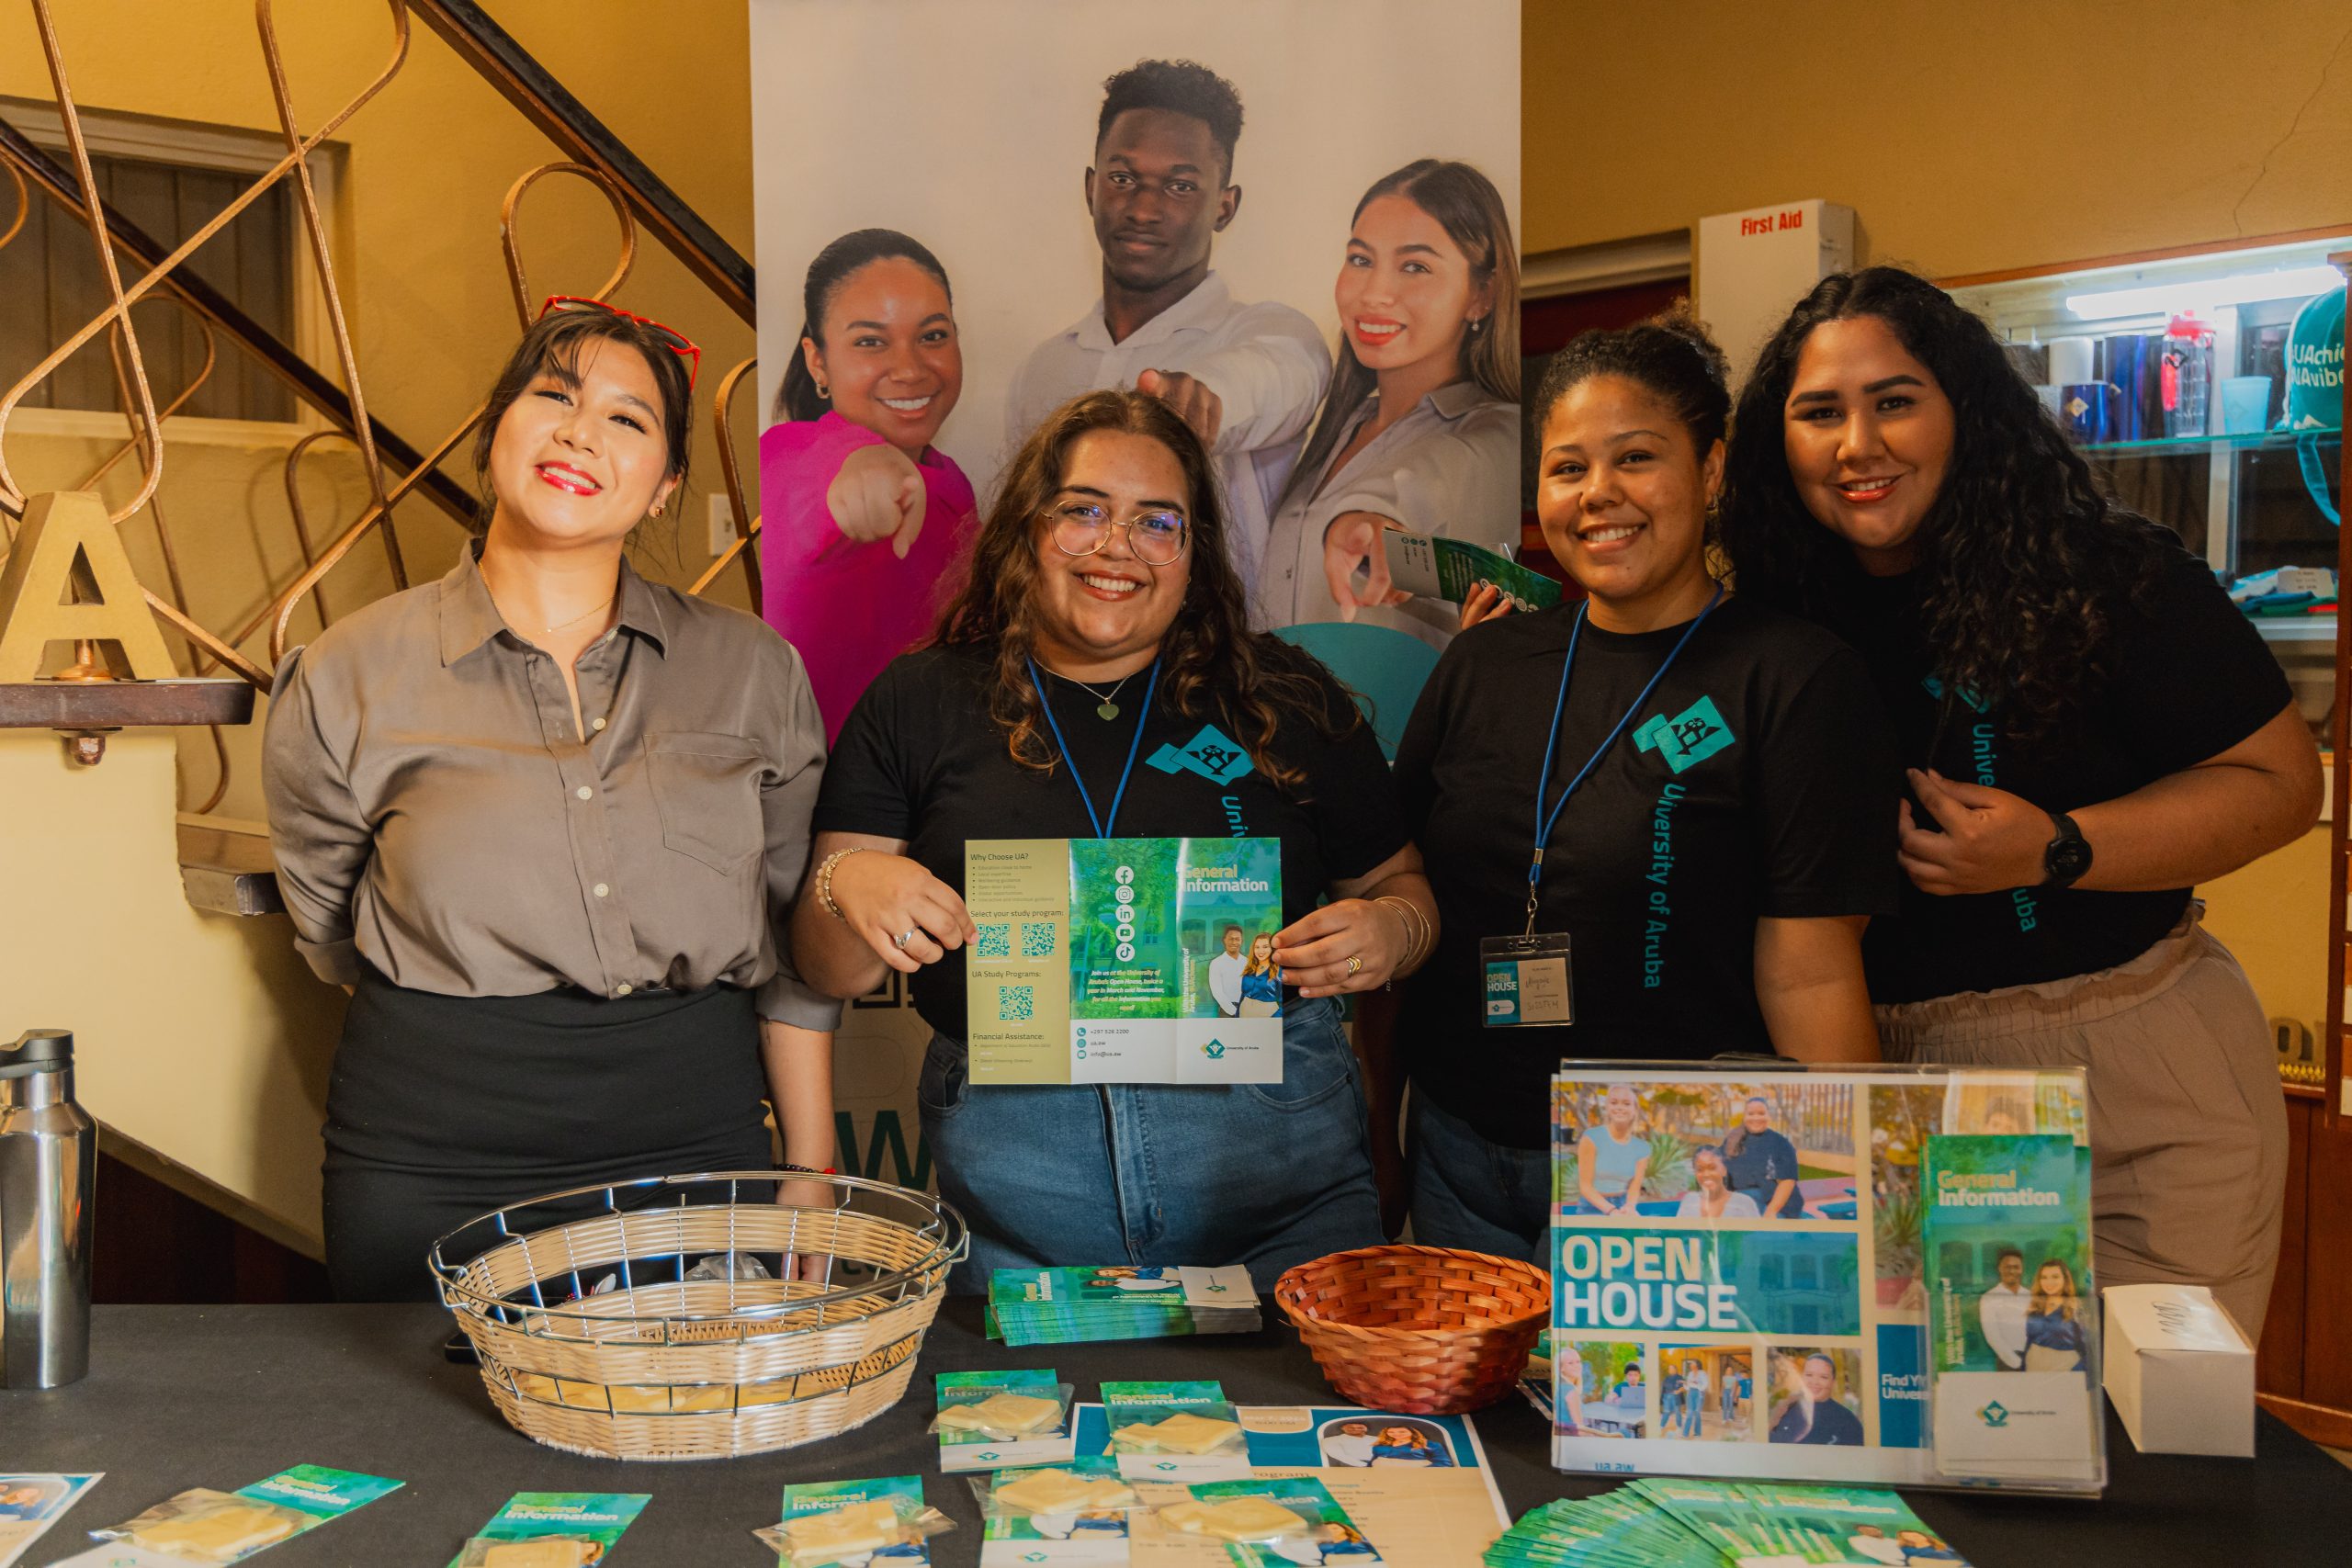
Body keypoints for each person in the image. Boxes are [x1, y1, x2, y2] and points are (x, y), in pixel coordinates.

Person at [1717, 266, 2320, 1340]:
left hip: (2133, 1078)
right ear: (1778, 441)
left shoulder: (2109, 573)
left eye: (1893, 400)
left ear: (1965, 411)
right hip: (1875, 1075)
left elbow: (2279, 786)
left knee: (2153, 1463)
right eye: (1820, 413)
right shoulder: (1763, 615)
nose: (1858, 443)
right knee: (1934, 1461)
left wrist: (2061, 847)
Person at [793, 390, 1438, 1290]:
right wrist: (846, 880)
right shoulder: (921, 701)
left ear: (1192, 551)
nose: (1116, 548)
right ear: (1026, 527)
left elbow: (1404, 888)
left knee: (1301, 1426)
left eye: (1155, 522)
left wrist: (1392, 931)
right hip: (1021, 1196)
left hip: (1277, 1186)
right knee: (1040, 1426)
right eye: (1083, 512)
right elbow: (830, 974)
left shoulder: (1287, 697)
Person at [265, 301, 839, 1301]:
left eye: (628, 419)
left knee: (697, 1436)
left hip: (692, 1145)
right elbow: (328, 923)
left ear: (663, 489)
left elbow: (798, 940)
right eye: (555, 397)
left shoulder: (751, 670)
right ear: (497, 428)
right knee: (422, 1443)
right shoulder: (345, 671)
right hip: (429, 1156)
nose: (581, 433)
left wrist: (812, 1159)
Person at [1396, 311, 1897, 1260]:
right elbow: (1401, 884)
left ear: (1709, 472)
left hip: (1670, 1170)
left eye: (1635, 459)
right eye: (1567, 468)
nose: (1598, 496)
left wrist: (1844, 1209)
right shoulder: (1485, 663)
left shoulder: (1790, 678)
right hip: (1460, 1153)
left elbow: (1813, 968)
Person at [1005, 60, 1329, 593]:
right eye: (1122, 178)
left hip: (1222, 671)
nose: (1144, 208)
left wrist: (1206, 399)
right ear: (1090, 189)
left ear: (1225, 206)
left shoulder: (1271, 334)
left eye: (1179, 186)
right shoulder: (1043, 369)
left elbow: (1279, 378)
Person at [1252, 159, 1520, 649]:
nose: (1374, 293)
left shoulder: (1498, 434)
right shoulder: (1335, 429)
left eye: (1414, 266)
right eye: (1360, 259)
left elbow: (1434, 479)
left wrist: (1373, 520)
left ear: (1482, 294)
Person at [763, 230, 978, 744]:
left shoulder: (954, 483)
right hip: (826, 805)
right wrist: (865, 463)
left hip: (930, 791)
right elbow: (811, 474)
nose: (909, 368)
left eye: (932, 336)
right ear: (818, 361)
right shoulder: (787, 452)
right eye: (870, 342)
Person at [1722, 1096, 1807, 1219]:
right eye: (1751, 1113)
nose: (1756, 1117)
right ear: (1744, 1117)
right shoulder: (1732, 1141)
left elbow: (1787, 1181)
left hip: (1778, 1204)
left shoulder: (1780, 1143)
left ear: (1769, 1116)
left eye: (1761, 1113)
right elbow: (1721, 1170)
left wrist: (1771, 1211)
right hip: (1745, 1200)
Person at [1575, 1085, 1653, 1214]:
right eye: (1614, 1102)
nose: (1619, 1108)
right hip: (1591, 1206)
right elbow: (1585, 1187)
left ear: (1635, 1109)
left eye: (1626, 1103)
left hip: (1622, 1204)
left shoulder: (1642, 1147)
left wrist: (1630, 1207)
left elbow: (1634, 1186)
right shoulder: (1591, 1137)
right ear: (1608, 1107)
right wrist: (1611, 1211)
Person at [1769, 1353, 1865, 1445]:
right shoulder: (1785, 1409)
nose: (1815, 1382)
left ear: (1833, 1381)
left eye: (1824, 1377)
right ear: (1801, 1377)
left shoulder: (1847, 1420)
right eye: (1809, 1375)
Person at [2026, 1258, 2088, 1371]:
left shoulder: (2075, 1307)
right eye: (2044, 1277)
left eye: (2055, 1277)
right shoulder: (2035, 1306)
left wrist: (2074, 1372)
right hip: (2033, 1364)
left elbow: (2088, 1349)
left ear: (2065, 1279)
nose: (2049, 1282)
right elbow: (2029, 1341)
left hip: (2064, 1366)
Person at [1978, 1247, 2030, 1370]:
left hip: (2033, 1359)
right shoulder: (1989, 1298)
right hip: (2008, 1362)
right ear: (1999, 1268)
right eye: (2007, 1267)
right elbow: (1992, 1336)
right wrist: (2016, 1363)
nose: (2011, 1271)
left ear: (2021, 1269)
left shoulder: (2031, 1296)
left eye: (2016, 1267)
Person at [1677, 1146, 1761, 1220]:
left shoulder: (1744, 1203)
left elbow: (1757, 1236)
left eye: (1712, 1168)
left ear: (1724, 1170)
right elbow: (1677, 1234)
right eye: (1700, 1170)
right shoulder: (1689, 1200)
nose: (1706, 1174)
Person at [1240, 931, 1284, 1016]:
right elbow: (1243, 995)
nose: (1261, 951)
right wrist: (1237, 1016)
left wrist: (1274, 1019)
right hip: (1244, 1011)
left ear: (1272, 949)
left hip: (1267, 1014)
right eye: (1257, 947)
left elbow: (1283, 1003)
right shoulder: (1249, 969)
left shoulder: (1279, 971)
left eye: (1265, 947)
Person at [1207, 923, 1248, 1015]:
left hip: (1248, 1009)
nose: (1234, 942)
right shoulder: (1216, 963)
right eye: (1231, 939)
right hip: (1227, 1012)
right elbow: (1217, 992)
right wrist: (1234, 1012)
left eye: (1237, 939)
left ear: (1242, 941)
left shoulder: (1248, 962)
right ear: (1224, 940)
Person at [1369, 1426, 1452, 1466]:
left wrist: (1421, 1474)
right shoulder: (1381, 1444)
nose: (1396, 1434)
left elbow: (1443, 1462)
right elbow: (1373, 1459)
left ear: (1413, 1432)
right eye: (1391, 1432)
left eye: (1402, 1432)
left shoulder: (1429, 1444)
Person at [1679, 1359, 1710, 1437]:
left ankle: (1697, 1433)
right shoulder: (1690, 1374)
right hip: (1690, 1393)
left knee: (1697, 1413)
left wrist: (1695, 1384)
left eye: (1692, 1363)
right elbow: (1687, 1387)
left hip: (1699, 1393)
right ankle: (1685, 1433)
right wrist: (1685, 1384)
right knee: (1689, 1413)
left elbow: (1705, 1385)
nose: (1690, 1365)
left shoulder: (1702, 1373)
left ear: (1697, 1365)